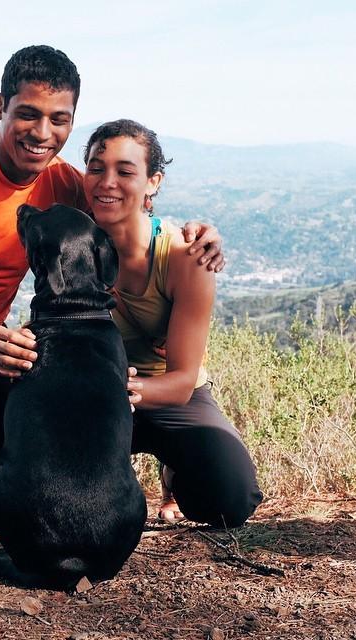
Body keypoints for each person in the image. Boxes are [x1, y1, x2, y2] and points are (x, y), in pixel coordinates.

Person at [0, 46, 225, 545]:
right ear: (0, 107)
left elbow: (123, 209)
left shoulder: (63, 184)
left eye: (59, 120)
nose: (41, 133)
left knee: (6, 494)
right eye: (27, 114)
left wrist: (195, 232)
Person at [83, 119, 262, 527]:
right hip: (99, 396)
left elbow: (182, 382)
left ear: (153, 182)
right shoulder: (73, 246)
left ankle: (174, 471)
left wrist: (116, 391)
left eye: (125, 171)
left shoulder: (184, 256)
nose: (107, 181)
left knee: (229, 499)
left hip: (169, 394)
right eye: (96, 168)